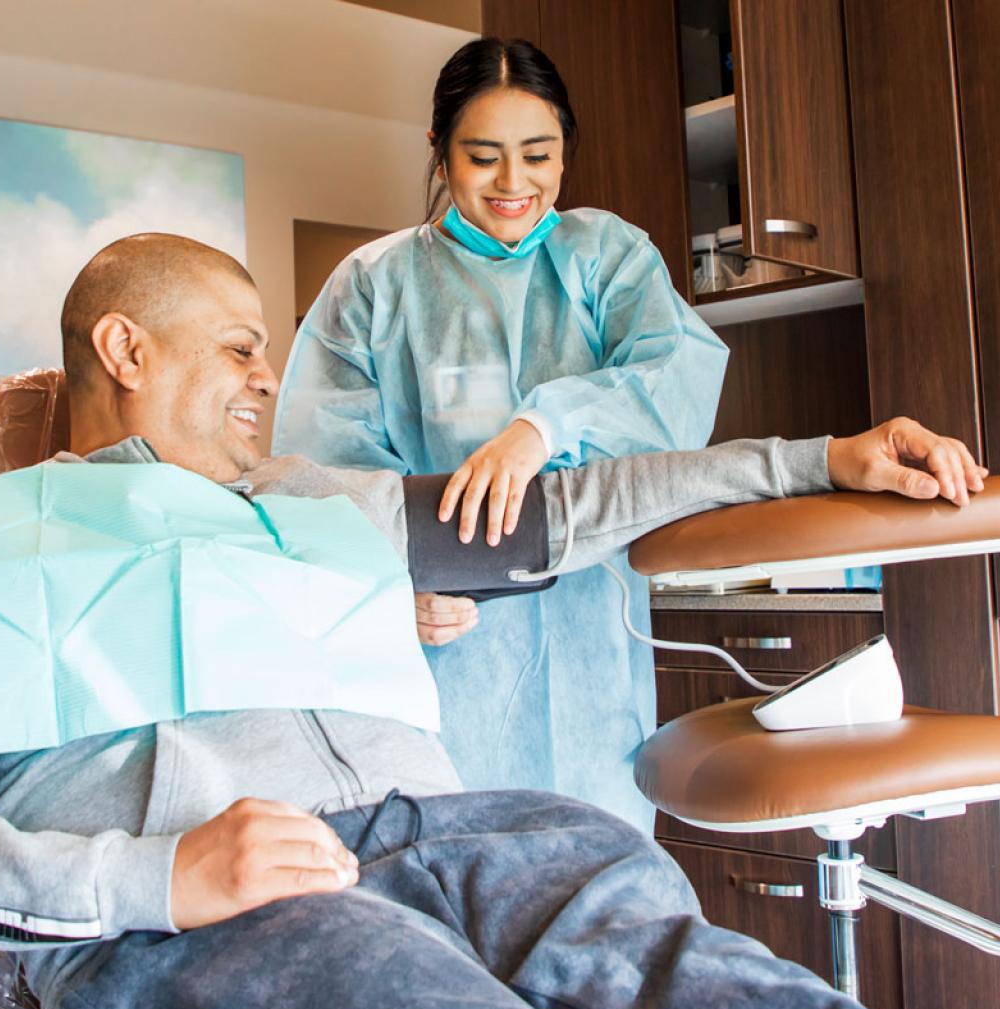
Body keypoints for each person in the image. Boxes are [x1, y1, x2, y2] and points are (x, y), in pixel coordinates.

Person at [0, 234, 984, 1009]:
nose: (268, 379)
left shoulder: (308, 501)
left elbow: (561, 514)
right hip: (224, 912)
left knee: (717, 982)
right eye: (238, 348)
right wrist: (153, 876)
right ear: (127, 351)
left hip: (485, 838)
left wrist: (817, 458)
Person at [272, 38, 730, 828]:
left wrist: (545, 426)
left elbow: (676, 382)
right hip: (445, 653)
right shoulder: (374, 286)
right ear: (439, 156)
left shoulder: (609, 258)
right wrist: (391, 592)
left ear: (564, 154)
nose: (514, 184)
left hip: (595, 636)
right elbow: (324, 475)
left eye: (538, 155)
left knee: (600, 872)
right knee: (457, 879)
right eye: (483, 157)